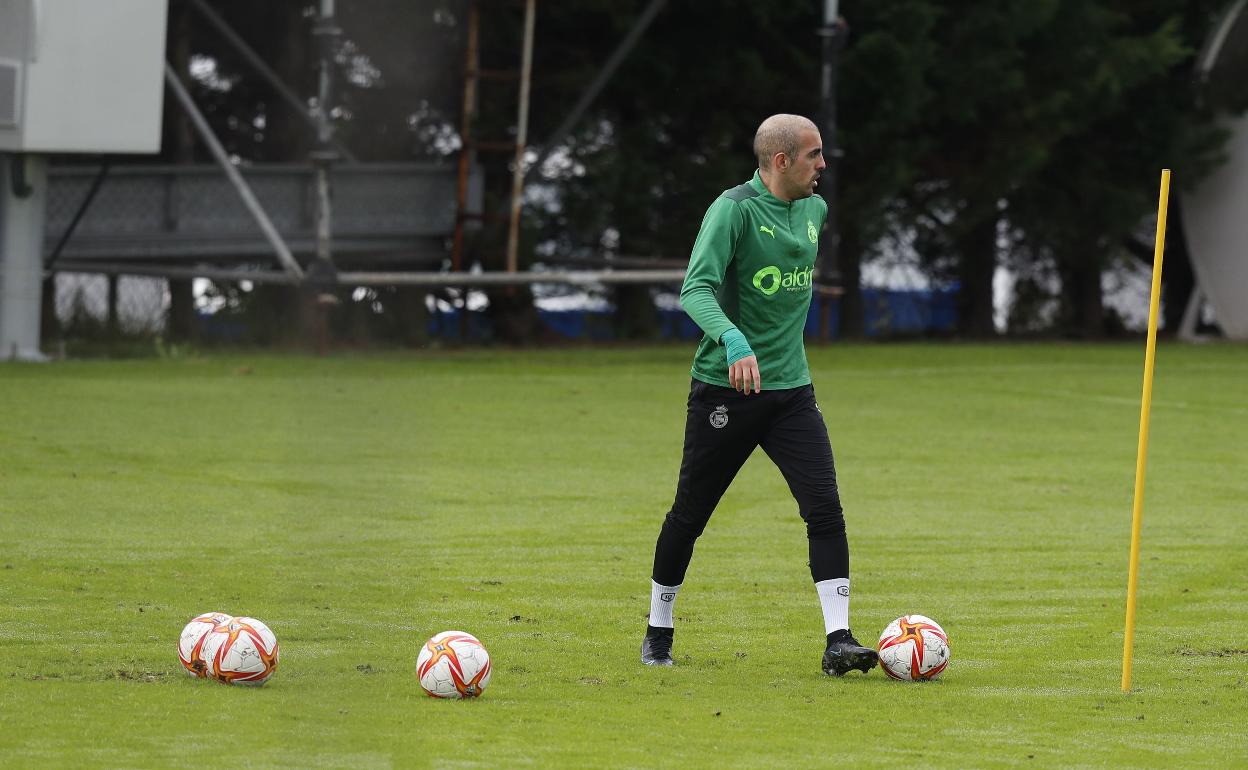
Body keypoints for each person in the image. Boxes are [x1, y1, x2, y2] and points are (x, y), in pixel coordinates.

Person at [640, 114, 877, 676]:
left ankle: (838, 639)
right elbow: (694, 290)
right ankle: (658, 631)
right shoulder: (734, 211)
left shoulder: (815, 210)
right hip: (726, 392)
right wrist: (733, 340)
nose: (823, 165)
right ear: (781, 161)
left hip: (792, 392)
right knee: (689, 516)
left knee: (825, 509)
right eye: (814, 155)